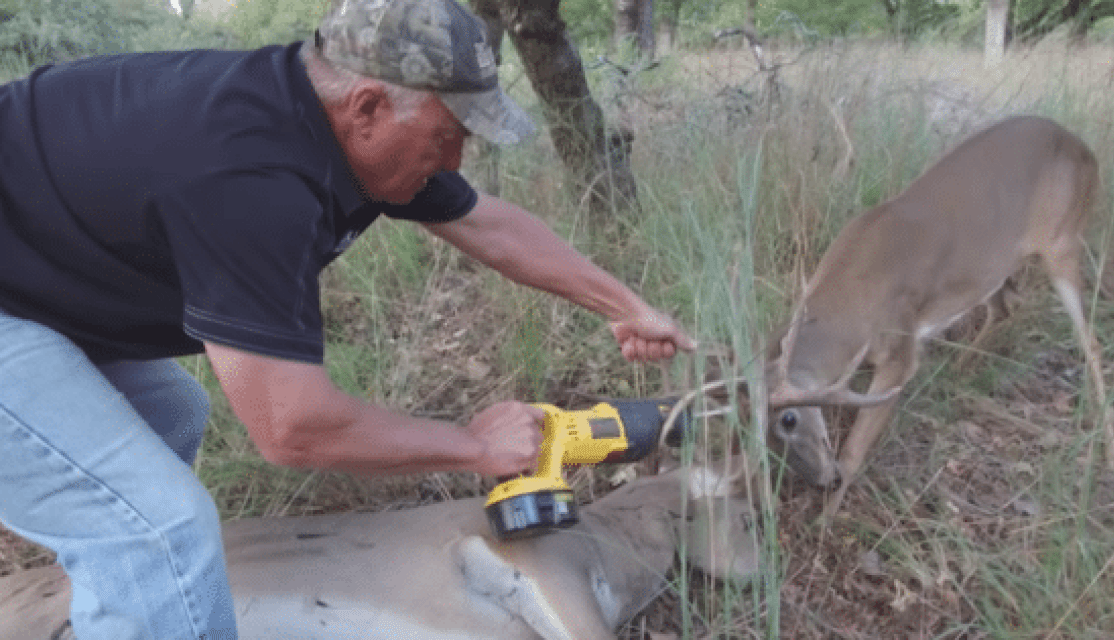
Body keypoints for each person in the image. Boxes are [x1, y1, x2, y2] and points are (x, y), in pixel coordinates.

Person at [0, 0, 695, 637]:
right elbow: (293, 427)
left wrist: (625, 307)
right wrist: (474, 447)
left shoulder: (329, 120)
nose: (456, 160)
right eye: (449, 136)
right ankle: (133, 579)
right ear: (366, 107)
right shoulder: (249, 183)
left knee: (172, 413)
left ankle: (112, 597)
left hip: (33, 270)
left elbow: (489, 224)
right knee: (156, 532)